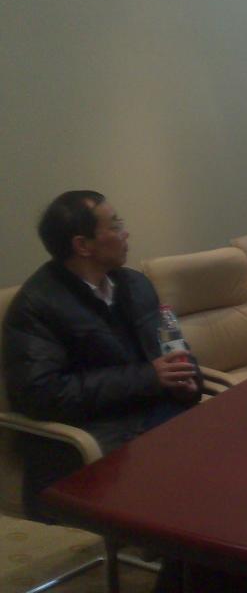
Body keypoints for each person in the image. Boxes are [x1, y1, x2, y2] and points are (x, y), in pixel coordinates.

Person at [3, 190, 202, 520]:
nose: (126, 234)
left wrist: (188, 380)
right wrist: (148, 377)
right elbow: (40, 395)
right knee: (195, 495)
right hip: (92, 435)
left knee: (230, 457)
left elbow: (172, 347)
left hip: (154, 414)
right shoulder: (37, 306)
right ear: (83, 245)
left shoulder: (134, 285)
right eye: (115, 226)